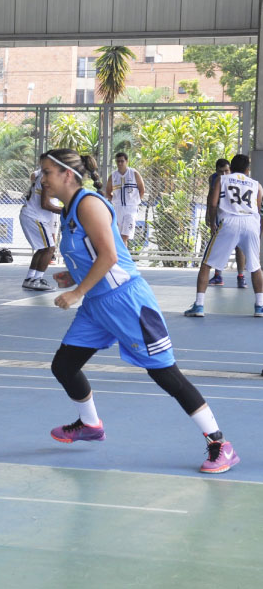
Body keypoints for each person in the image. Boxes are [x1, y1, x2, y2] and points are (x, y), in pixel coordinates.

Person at [41, 149, 239, 474]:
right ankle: (91, 425)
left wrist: (77, 290)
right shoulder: (68, 211)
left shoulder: (88, 204)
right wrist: (72, 275)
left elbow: (110, 257)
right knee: (64, 365)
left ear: (66, 174)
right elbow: (92, 256)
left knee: (165, 373)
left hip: (125, 302)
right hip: (97, 305)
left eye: (47, 172)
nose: (42, 178)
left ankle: (220, 443)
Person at [185, 154, 263, 318]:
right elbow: (258, 209)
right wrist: (258, 231)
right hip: (251, 223)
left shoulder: (222, 180)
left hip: (230, 222)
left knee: (206, 263)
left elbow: (213, 204)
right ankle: (259, 306)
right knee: (256, 266)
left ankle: (199, 305)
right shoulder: (257, 185)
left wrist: (213, 223)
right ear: (248, 169)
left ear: (231, 168)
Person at [19, 156, 63, 291]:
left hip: (31, 215)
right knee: (49, 248)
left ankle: (30, 278)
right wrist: (65, 211)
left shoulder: (42, 175)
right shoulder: (46, 178)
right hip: (34, 217)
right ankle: (37, 280)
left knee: (43, 248)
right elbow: (45, 205)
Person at [204, 159, 246, 288]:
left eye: (226, 171)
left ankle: (241, 277)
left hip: (236, 215)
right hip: (220, 215)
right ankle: (218, 276)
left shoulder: (238, 180)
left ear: (231, 170)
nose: (223, 174)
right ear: (216, 171)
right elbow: (211, 198)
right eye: (220, 172)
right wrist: (209, 217)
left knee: (239, 246)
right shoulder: (214, 179)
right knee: (218, 245)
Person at [104, 152, 144, 246]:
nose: (120, 163)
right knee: (117, 236)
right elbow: (108, 191)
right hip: (118, 208)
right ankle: (120, 257)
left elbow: (142, 190)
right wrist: (115, 201)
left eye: (122, 161)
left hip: (131, 209)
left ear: (127, 161)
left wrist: (135, 202)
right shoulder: (113, 176)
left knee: (125, 236)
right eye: (118, 161)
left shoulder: (134, 173)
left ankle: (124, 259)